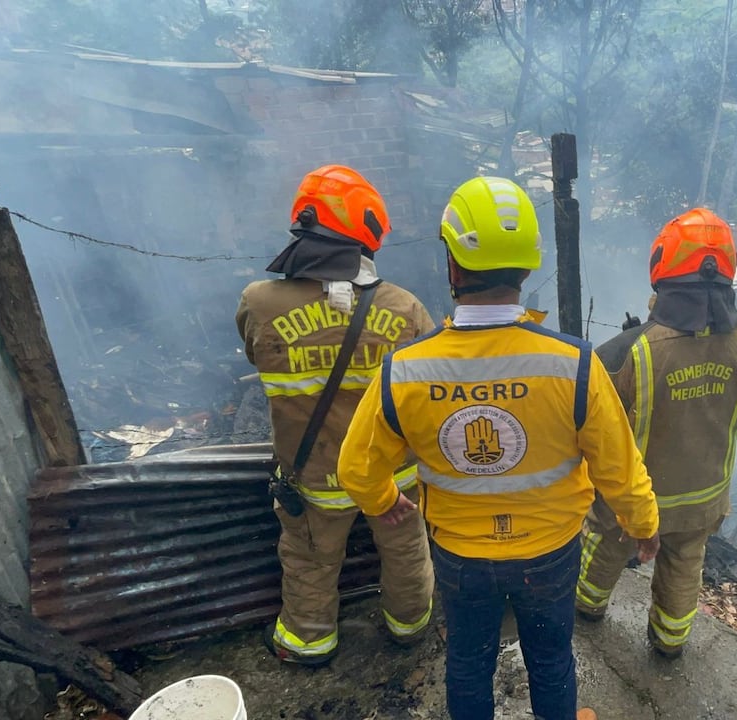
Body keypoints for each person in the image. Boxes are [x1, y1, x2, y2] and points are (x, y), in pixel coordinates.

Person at [338, 176, 660, 720]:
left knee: (467, 662)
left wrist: (381, 500)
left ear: (452, 265)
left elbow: (356, 467)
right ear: (528, 265)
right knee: (552, 661)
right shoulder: (575, 364)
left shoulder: (405, 370)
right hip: (551, 551)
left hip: (462, 556)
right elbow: (619, 466)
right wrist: (644, 524)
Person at [236, 165, 435, 666]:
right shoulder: (405, 308)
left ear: (303, 223)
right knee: (407, 552)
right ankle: (408, 626)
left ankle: (309, 642)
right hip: (392, 475)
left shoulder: (259, 304)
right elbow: (429, 386)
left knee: (309, 561)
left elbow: (254, 356)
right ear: (367, 232)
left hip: (313, 477)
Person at [575, 207, 737, 658]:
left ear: (662, 266)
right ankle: (668, 644)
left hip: (634, 501)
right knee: (685, 565)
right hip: (705, 496)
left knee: (604, 549)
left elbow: (596, 421)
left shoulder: (626, 351)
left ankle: (586, 610)